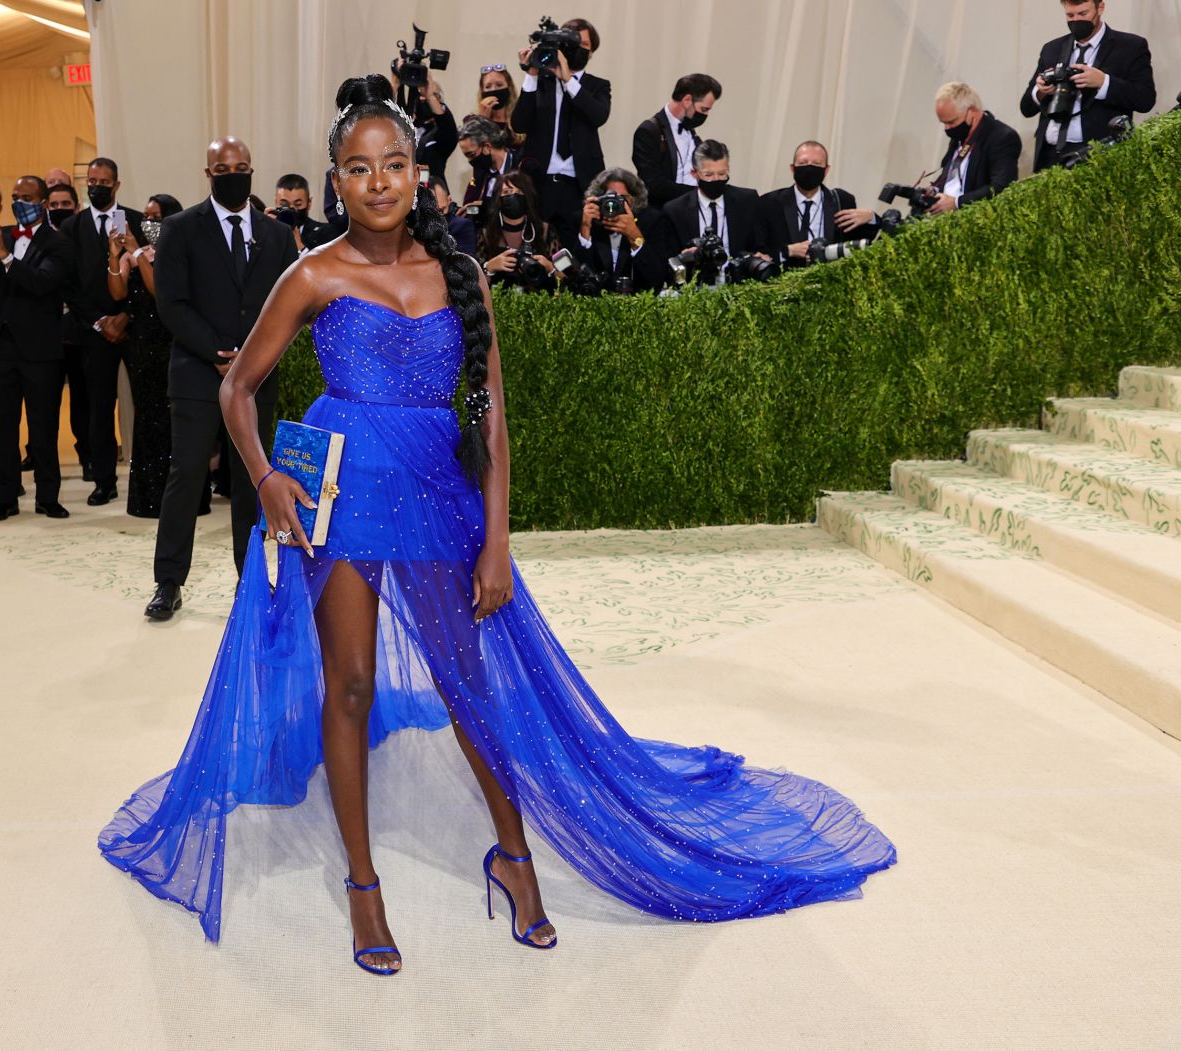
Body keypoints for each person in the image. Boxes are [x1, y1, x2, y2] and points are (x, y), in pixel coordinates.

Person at [99, 74, 897, 972]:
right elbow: (237, 387)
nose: (378, 182)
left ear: (419, 172)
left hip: (438, 494)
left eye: (395, 163)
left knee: (467, 681)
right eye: (358, 168)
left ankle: (514, 855)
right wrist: (262, 477)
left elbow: (490, 421)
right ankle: (362, 883)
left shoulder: (462, 272)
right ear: (334, 180)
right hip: (344, 495)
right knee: (351, 685)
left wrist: (497, 538)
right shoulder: (311, 271)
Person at [143, 136, 299, 619]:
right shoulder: (179, 228)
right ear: (208, 173)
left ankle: (248, 580)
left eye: (243, 166)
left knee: (250, 479)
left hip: (255, 381)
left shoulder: (276, 236)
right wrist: (216, 353)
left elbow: (286, 305)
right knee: (186, 475)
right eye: (224, 167)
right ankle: (168, 581)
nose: (234, 174)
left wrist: (251, 359)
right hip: (196, 374)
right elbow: (171, 302)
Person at [0, 176, 73, 522]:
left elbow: (42, 283)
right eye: (14, 197)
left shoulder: (57, 241)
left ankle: (48, 497)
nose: (19, 203)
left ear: (43, 202)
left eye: (26, 197)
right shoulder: (3, 235)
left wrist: (5, 255)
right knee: (3, 428)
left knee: (43, 428)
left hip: (40, 348)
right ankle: (5, 498)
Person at [59, 157, 145, 508]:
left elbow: (147, 280)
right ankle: (104, 480)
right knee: (98, 409)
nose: (96, 186)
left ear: (116, 185)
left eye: (104, 181)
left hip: (134, 329)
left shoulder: (136, 221)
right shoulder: (71, 227)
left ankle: (145, 479)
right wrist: (100, 321)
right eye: (91, 180)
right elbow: (69, 285)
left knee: (145, 404)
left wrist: (124, 316)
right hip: (92, 334)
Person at [1021, 0, 1155, 171]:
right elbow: (1026, 108)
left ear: (1100, 8)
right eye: (1070, 15)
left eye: (1083, 14)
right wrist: (1040, 92)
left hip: (1098, 156)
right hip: (1050, 155)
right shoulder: (1052, 49)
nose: (1076, 20)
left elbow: (1145, 99)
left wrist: (1103, 82)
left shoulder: (1130, 47)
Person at [510, 18, 611, 245]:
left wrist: (568, 80)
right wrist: (532, 74)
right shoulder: (542, 81)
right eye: (572, 44)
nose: (577, 50)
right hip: (540, 180)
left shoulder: (598, 86)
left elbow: (598, 116)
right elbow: (519, 124)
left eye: (583, 46)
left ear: (591, 52)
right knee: (535, 244)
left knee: (575, 248)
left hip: (578, 183)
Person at [106, 213, 174, 517]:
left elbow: (159, 290)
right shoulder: (135, 255)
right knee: (146, 416)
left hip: (170, 342)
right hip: (142, 345)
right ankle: (146, 497)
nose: (149, 222)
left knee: (170, 418)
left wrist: (137, 254)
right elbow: (117, 292)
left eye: (157, 216)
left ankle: (176, 496)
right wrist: (115, 254)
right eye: (146, 216)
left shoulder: (175, 251)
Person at [761, 141, 881, 266]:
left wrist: (871, 217)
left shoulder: (842, 200)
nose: (809, 168)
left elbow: (863, 242)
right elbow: (758, 250)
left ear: (826, 170)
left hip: (829, 279)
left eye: (816, 164)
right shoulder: (770, 203)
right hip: (783, 280)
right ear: (792, 168)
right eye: (803, 163)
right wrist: (787, 251)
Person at [657, 140, 771, 269]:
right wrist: (684, 258)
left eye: (722, 174)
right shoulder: (675, 210)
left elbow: (759, 245)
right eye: (708, 175)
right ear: (695, 173)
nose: (716, 179)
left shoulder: (747, 200)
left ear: (728, 169)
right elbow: (669, 259)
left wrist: (761, 256)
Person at [47, 181, 92, 481]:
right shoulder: (38, 238)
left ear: (76, 206)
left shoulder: (79, 235)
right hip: (45, 333)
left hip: (77, 330)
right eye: (54, 205)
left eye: (66, 204)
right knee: (46, 401)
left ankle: (86, 453)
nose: (60, 209)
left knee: (82, 398)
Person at [927, 83, 1022, 214]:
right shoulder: (959, 136)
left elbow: (1002, 187)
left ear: (971, 111)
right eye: (943, 123)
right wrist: (934, 191)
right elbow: (951, 179)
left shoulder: (1001, 137)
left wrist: (956, 203)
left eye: (951, 122)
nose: (947, 129)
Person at [632, 74, 722, 206]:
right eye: (704, 109)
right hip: (662, 213)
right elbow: (653, 184)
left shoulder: (693, 134)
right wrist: (697, 193)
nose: (706, 115)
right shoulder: (649, 131)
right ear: (687, 100)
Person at [571, 167, 666, 292]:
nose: (613, 206)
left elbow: (656, 279)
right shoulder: (584, 220)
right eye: (609, 198)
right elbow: (575, 277)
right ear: (598, 200)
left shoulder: (651, 221)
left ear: (633, 200)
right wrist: (585, 230)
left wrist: (634, 235)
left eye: (621, 199)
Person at [477, 171, 560, 291]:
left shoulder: (545, 231)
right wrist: (489, 268)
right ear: (498, 199)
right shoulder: (485, 235)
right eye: (507, 192)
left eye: (520, 192)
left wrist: (550, 268)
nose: (514, 196)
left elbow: (566, 283)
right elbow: (474, 288)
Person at [457, 118, 518, 211]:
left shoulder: (520, 166)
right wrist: (468, 211)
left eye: (471, 154)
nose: (470, 160)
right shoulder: (480, 173)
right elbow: (478, 208)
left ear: (487, 147)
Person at [270, 174, 334, 251]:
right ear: (276, 201)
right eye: (284, 205)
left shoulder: (325, 233)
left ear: (309, 203)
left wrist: (300, 247)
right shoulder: (267, 230)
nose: (291, 209)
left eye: (298, 204)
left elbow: (325, 262)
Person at [428, 175, 477, 257]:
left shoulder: (462, 226)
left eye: (441, 210)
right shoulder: (408, 227)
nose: (436, 216)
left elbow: (466, 265)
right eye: (429, 211)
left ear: (449, 200)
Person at [469, 64, 521, 141]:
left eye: (499, 85)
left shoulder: (521, 118)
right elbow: (475, 148)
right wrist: (482, 120)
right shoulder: (471, 121)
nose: (493, 90)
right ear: (482, 91)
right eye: (488, 86)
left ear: (509, 88)